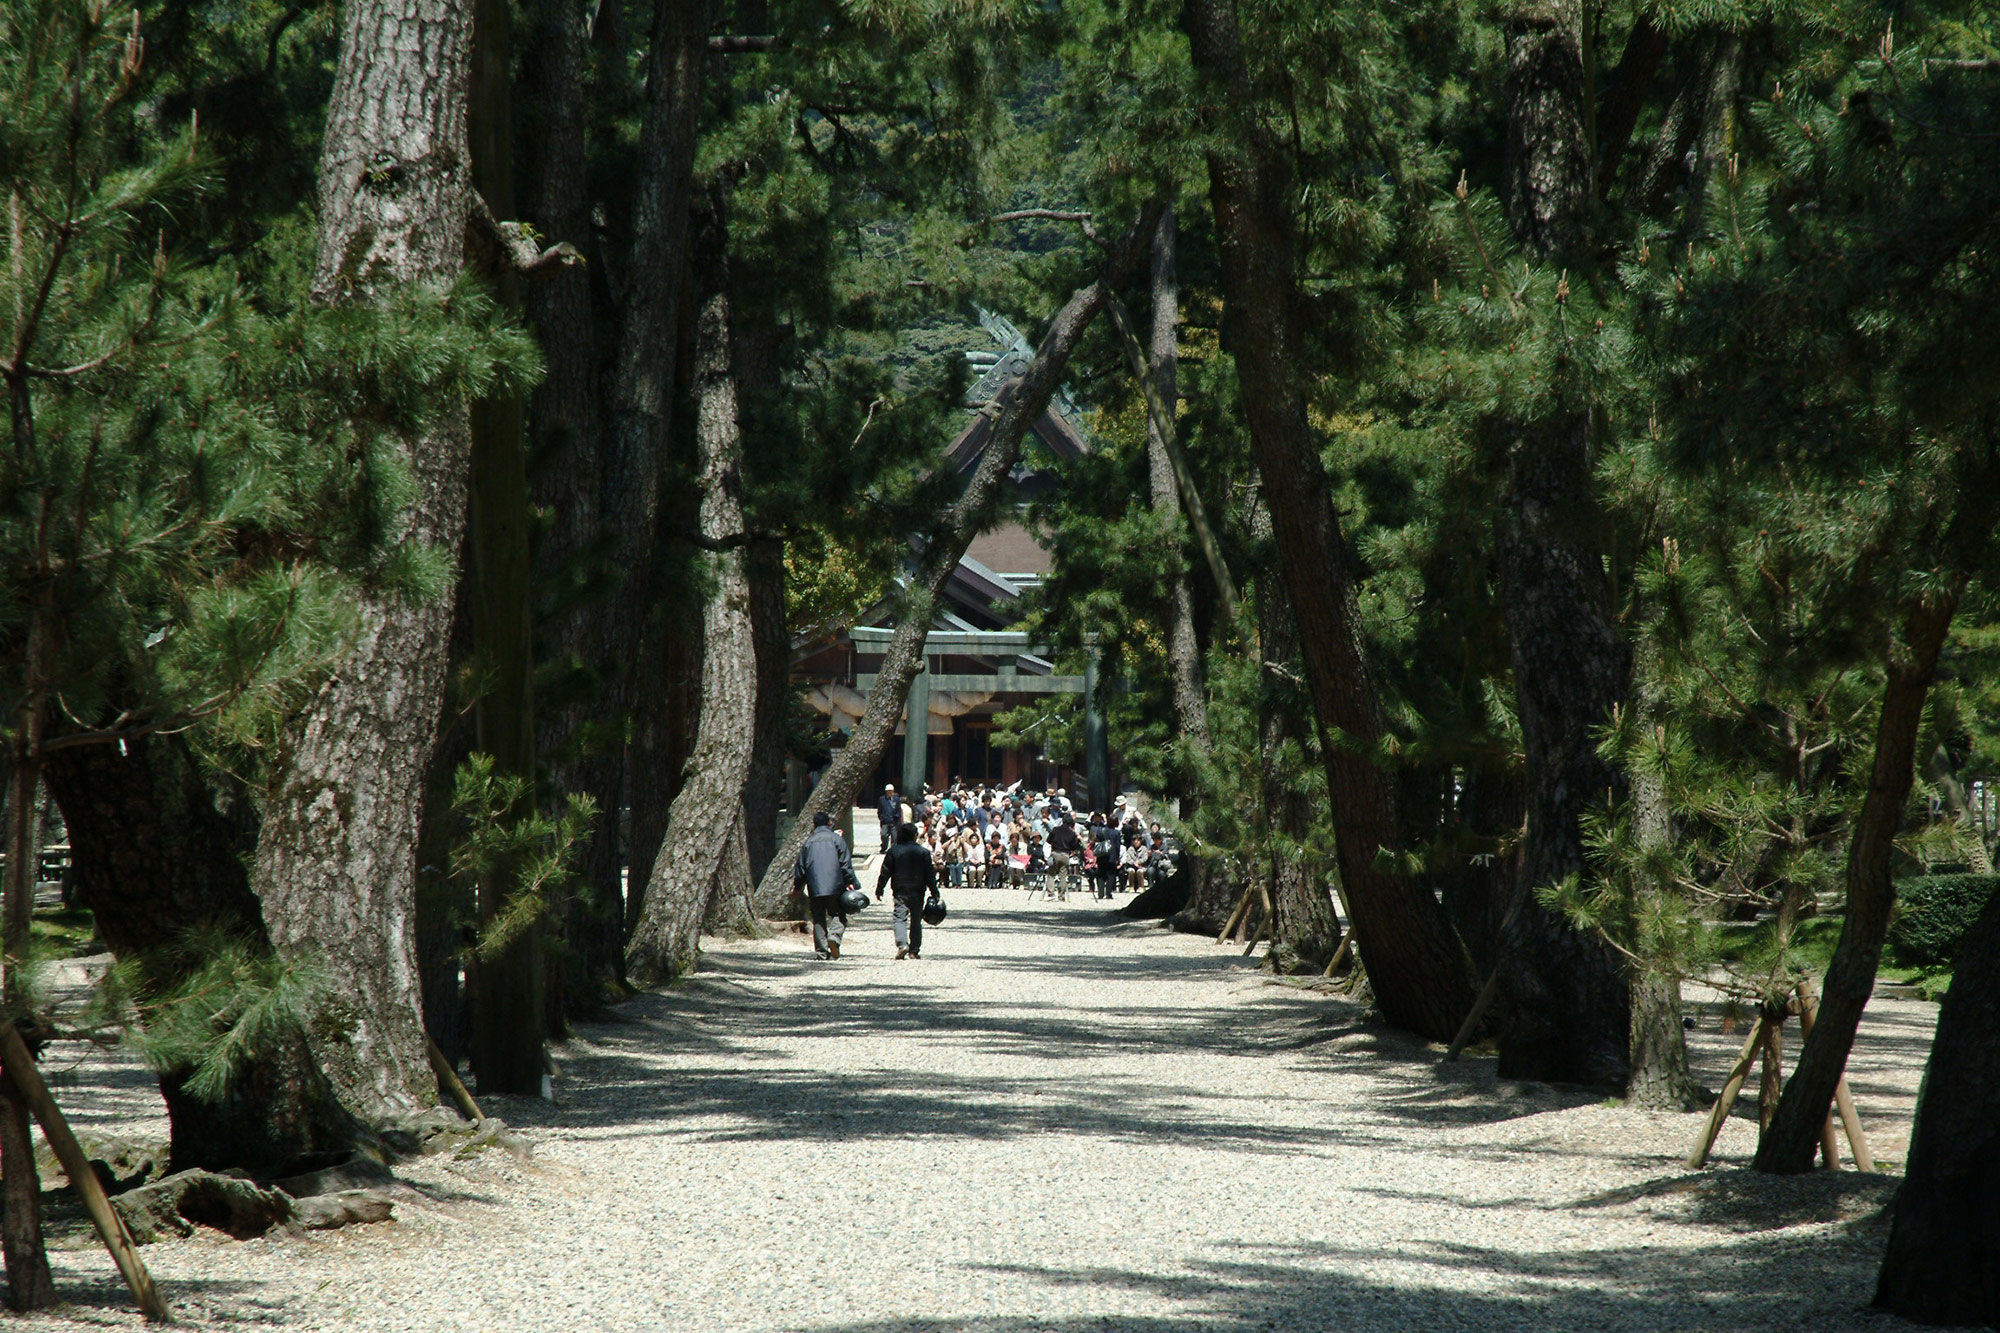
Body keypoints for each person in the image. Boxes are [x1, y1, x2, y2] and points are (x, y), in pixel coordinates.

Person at [794, 811, 861, 960]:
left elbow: (801, 867)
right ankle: (835, 937)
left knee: (818, 918)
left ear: (814, 824)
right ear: (829, 824)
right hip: (835, 885)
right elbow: (845, 864)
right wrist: (851, 882)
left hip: (815, 886)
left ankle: (821, 952)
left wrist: (797, 887)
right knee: (839, 914)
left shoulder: (809, 842)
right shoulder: (837, 839)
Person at [876, 821, 939, 960]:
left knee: (899, 917)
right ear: (915, 835)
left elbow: (885, 871)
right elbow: (930, 874)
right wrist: (935, 891)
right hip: (918, 889)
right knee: (916, 920)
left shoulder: (894, 851)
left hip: (900, 889)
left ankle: (902, 944)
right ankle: (914, 950)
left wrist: (880, 888)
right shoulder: (923, 852)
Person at [1090, 813, 1122, 899]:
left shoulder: (1100, 830)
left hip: (1102, 855)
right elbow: (1117, 846)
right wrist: (1117, 858)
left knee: (1100, 874)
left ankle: (1100, 893)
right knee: (1110, 875)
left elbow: (1096, 842)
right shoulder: (1117, 833)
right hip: (1112, 856)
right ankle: (1108, 893)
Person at [1047, 814, 1080, 898]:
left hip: (1055, 853)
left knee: (1051, 874)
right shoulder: (1072, 833)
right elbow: (1073, 847)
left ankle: (1051, 893)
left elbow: (1048, 840)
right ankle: (1061, 895)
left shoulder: (1055, 830)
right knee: (1063, 876)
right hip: (1065, 855)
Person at [877, 784, 899, 855]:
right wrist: (881, 817)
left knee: (894, 837)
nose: (889, 792)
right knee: (884, 835)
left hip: (893, 820)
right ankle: (884, 847)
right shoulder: (882, 799)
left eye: (891, 791)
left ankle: (893, 850)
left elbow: (898, 809)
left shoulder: (896, 799)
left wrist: (897, 816)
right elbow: (879, 810)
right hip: (885, 821)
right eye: (888, 791)